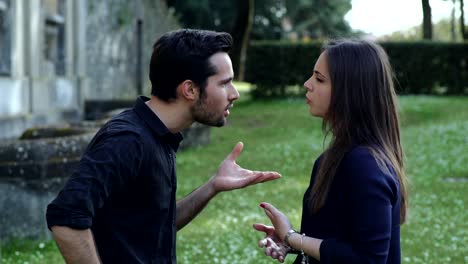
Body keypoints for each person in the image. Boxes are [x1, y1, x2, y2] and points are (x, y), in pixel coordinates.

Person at [46, 29, 281, 264]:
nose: (235, 94)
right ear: (189, 89)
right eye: (225, 83)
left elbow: (156, 225)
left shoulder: (158, 135)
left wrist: (212, 186)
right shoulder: (127, 140)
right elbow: (66, 216)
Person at [253, 39, 408, 264]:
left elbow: (368, 259)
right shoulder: (335, 158)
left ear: (350, 91)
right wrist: (293, 243)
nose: (307, 84)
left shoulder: (364, 165)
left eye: (319, 79)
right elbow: (339, 240)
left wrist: (293, 237)